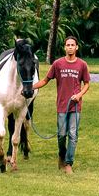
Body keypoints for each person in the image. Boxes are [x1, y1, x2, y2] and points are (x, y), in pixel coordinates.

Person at [35, 36, 90, 173]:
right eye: (68, 45)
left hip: (75, 106)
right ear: (65, 47)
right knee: (61, 135)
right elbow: (45, 80)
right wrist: (30, 87)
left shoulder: (82, 65)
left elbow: (87, 84)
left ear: (76, 47)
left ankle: (68, 163)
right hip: (61, 106)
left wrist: (79, 95)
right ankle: (61, 155)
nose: (70, 47)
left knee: (73, 135)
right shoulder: (57, 64)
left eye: (72, 45)